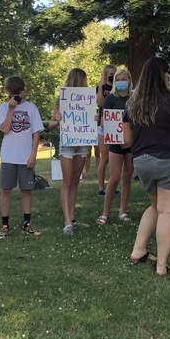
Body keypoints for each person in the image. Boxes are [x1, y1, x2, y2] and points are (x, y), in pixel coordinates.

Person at [124, 57, 170, 276]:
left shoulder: (131, 105)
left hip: (142, 163)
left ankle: (138, 250)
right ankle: (161, 265)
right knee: (166, 211)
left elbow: (126, 141)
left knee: (156, 207)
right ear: (165, 75)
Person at [0, 75, 44, 238]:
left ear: (23, 91)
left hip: (25, 157)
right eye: (10, 95)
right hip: (9, 156)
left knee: (26, 190)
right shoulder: (4, 108)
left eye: (16, 94)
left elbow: (36, 133)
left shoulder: (32, 108)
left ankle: (27, 223)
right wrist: (11, 109)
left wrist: (33, 155)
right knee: (6, 190)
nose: (14, 98)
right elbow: (4, 129)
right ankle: (5, 224)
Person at [50, 68, 92, 234]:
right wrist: (57, 120)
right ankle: (67, 221)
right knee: (67, 181)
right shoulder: (62, 98)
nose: (86, 82)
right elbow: (51, 125)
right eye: (84, 79)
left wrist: (93, 118)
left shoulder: (88, 99)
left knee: (75, 180)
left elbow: (89, 119)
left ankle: (72, 218)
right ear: (79, 80)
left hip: (82, 142)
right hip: (68, 142)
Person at [96, 68, 134, 225]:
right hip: (115, 143)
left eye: (124, 79)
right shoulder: (110, 99)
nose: (121, 82)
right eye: (118, 80)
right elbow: (105, 123)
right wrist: (118, 139)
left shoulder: (135, 99)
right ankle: (105, 213)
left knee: (127, 177)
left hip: (132, 144)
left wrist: (129, 140)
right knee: (114, 177)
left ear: (130, 81)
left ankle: (122, 211)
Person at [95, 64, 116, 194]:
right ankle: (101, 187)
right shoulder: (101, 87)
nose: (112, 76)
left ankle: (112, 186)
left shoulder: (118, 87)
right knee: (105, 157)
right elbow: (100, 103)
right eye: (110, 73)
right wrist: (102, 84)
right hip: (103, 125)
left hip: (116, 124)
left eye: (114, 73)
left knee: (114, 157)